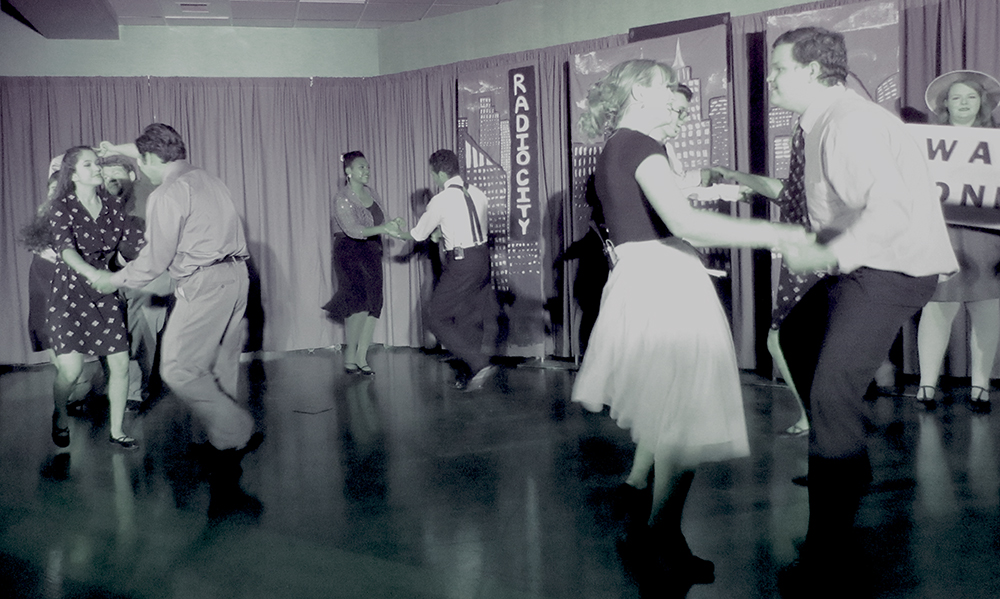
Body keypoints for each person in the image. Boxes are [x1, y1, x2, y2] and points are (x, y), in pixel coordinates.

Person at [569, 60, 808, 587]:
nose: (677, 100)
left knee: (671, 414)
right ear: (639, 92)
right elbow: (686, 225)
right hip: (666, 279)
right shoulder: (642, 146)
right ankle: (661, 537)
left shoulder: (618, 145)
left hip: (642, 277)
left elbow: (660, 209)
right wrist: (782, 236)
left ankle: (659, 535)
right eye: (665, 88)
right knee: (686, 420)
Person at [763, 28, 958, 595]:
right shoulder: (827, 120)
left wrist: (826, 252)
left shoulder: (850, 123)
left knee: (831, 391)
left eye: (779, 68)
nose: (771, 78)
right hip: (864, 263)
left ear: (813, 70)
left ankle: (825, 554)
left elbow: (890, 210)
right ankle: (847, 460)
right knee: (795, 337)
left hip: (891, 268)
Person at [91, 124, 259, 460]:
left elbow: (154, 261)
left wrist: (114, 279)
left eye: (142, 161)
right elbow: (153, 151)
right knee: (220, 366)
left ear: (152, 158)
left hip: (204, 282)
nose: (141, 169)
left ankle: (238, 429)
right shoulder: (208, 179)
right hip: (237, 276)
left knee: (178, 368)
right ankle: (225, 444)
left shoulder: (167, 193)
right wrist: (118, 149)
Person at [705, 161, 826, 437]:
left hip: (808, 264)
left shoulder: (812, 182)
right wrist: (737, 176)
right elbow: (781, 190)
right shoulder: (814, 180)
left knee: (781, 340)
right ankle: (815, 416)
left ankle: (812, 417)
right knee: (788, 340)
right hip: (809, 263)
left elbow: (783, 191)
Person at [45, 146, 145, 450]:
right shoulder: (61, 206)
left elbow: (125, 246)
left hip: (104, 290)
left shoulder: (112, 205)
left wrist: (130, 261)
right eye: (88, 165)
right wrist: (93, 273)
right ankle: (60, 414)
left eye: (97, 163)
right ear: (73, 174)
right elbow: (65, 249)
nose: (96, 169)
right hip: (69, 290)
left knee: (120, 364)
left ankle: (117, 430)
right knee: (71, 371)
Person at [915, 70, 1000, 414]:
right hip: (943, 234)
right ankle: (926, 385)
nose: (964, 104)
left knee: (987, 309)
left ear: (981, 103)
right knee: (937, 307)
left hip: (987, 235)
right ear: (945, 105)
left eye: (971, 97)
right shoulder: (926, 143)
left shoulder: (997, 141)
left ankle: (981, 386)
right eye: (956, 98)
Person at [396, 149, 496, 391]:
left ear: (440, 173)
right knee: (468, 318)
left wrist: (395, 231)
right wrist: (441, 232)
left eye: (433, 174)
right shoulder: (478, 193)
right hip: (482, 258)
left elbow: (417, 234)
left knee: (436, 316)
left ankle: (479, 364)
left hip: (462, 262)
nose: (434, 179)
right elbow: (468, 225)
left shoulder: (440, 200)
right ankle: (470, 375)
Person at [99, 154, 173, 410]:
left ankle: (134, 391)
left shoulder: (150, 194)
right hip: (113, 274)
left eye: (116, 173)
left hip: (148, 276)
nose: (110, 179)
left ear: (132, 175)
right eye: (105, 175)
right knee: (109, 331)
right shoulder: (98, 203)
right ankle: (122, 384)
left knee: (140, 330)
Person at [322, 151, 403, 375]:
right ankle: (351, 357)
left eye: (367, 167)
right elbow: (353, 229)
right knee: (357, 304)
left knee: (375, 302)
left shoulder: (372, 192)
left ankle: (361, 355)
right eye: (361, 167)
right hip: (349, 251)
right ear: (348, 171)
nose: (366, 171)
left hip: (371, 249)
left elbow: (381, 220)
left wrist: (392, 224)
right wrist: (383, 228)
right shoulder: (342, 197)